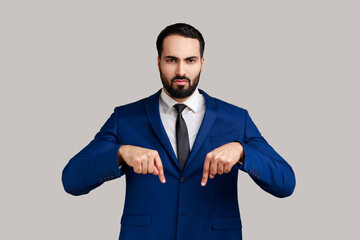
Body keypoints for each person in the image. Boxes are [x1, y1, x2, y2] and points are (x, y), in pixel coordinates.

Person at [62, 23, 296, 240]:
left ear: (202, 63)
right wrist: (120, 153)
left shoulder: (236, 119)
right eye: (172, 60)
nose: (181, 71)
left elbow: (286, 183)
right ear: (158, 62)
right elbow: (71, 180)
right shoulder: (126, 118)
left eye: (190, 60)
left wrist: (243, 152)